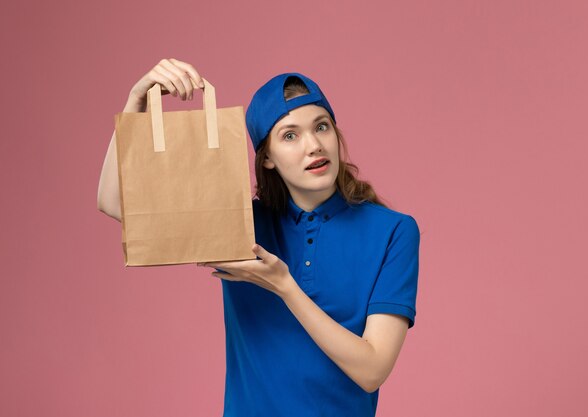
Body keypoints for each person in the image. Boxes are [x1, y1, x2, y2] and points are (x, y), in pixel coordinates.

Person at [97, 58, 421, 417]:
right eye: (290, 135)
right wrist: (135, 101)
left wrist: (284, 286)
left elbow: (371, 371)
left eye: (322, 127)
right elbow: (113, 201)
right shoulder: (239, 224)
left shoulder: (393, 231)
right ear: (267, 158)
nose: (313, 145)